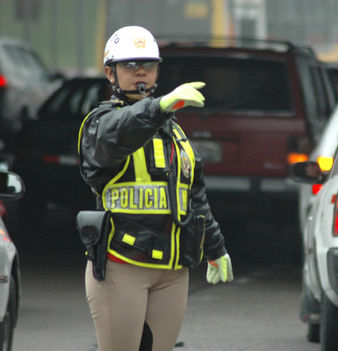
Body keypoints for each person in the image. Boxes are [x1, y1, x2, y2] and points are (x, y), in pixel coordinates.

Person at [77, 26, 233, 351]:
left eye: (147, 65)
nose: (140, 74)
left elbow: (194, 196)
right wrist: (160, 106)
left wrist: (215, 248)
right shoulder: (100, 123)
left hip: (173, 270)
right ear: (110, 72)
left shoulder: (173, 129)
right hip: (123, 264)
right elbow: (117, 134)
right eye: (130, 66)